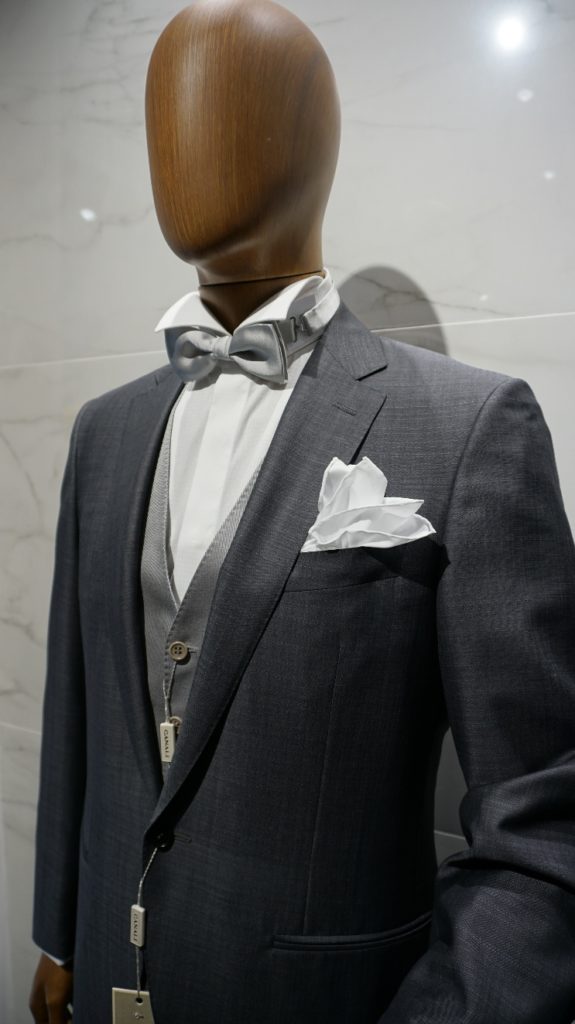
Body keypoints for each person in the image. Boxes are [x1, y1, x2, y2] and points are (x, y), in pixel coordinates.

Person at [29, 2, 575, 1022]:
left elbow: (543, 817)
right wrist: (59, 931)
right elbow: (76, 717)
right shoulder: (106, 431)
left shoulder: (465, 426)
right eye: (169, 118)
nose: (189, 149)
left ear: (312, 141)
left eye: (227, 110)